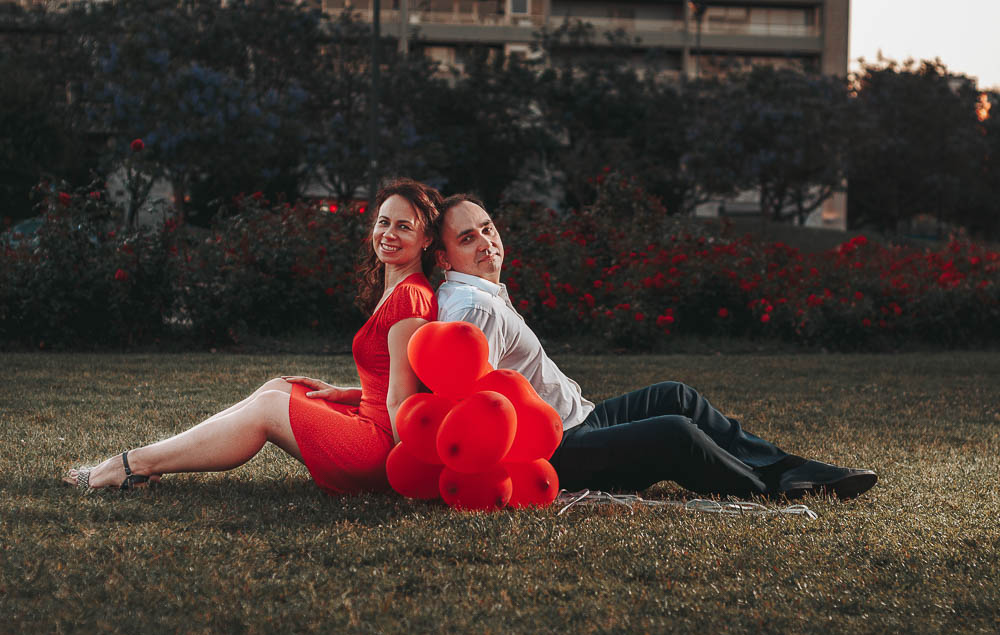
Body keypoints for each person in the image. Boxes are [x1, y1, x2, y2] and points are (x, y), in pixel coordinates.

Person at [431, 194, 878, 500]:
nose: (486, 242)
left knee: (674, 394)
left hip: (581, 418)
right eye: (468, 238)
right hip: (559, 449)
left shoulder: (480, 295)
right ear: (444, 257)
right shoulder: (475, 309)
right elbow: (475, 406)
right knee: (673, 433)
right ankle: (772, 487)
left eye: (487, 228)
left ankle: (789, 466)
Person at [63, 178, 442, 495]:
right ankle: (150, 460)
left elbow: (403, 401)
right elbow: (396, 381)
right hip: (368, 421)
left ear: (426, 239)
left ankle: (131, 465)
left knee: (270, 407)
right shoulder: (397, 290)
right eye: (383, 222)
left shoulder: (409, 298)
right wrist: (347, 393)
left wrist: (405, 476)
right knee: (280, 386)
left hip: (378, 449)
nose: (388, 234)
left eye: (404, 227)